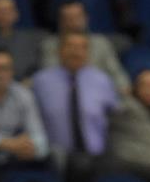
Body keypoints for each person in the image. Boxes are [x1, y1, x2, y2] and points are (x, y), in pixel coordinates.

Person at [33, 32, 120, 162]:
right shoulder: (40, 81)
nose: (76, 52)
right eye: (70, 46)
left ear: (88, 52)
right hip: (55, 158)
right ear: (59, 51)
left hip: (97, 157)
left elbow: (115, 118)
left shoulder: (102, 80)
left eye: (82, 47)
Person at [38, 0, 130, 92]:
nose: (72, 22)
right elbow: (48, 76)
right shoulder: (49, 45)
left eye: (76, 17)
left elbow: (117, 75)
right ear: (60, 21)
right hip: (61, 93)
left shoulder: (101, 43)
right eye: (67, 18)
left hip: (100, 92)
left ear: (86, 18)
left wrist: (121, 88)